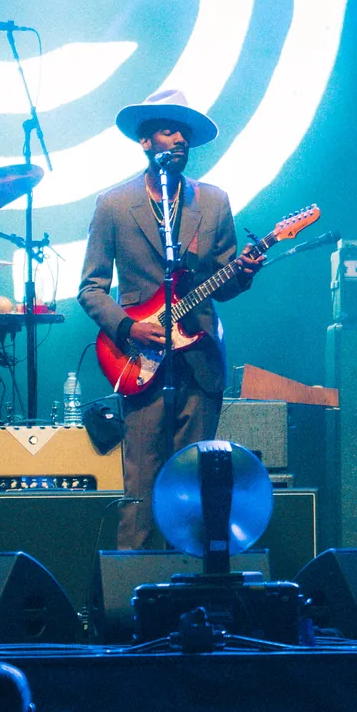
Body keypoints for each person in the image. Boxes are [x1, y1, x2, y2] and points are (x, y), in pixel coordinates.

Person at [78, 88, 264, 549]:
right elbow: (90, 288)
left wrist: (244, 274)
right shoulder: (114, 205)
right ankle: (134, 603)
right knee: (140, 492)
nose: (179, 138)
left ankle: (195, 598)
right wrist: (126, 326)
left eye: (185, 132)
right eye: (168, 129)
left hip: (199, 363)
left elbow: (224, 283)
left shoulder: (214, 202)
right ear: (146, 141)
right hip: (139, 363)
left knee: (199, 491)